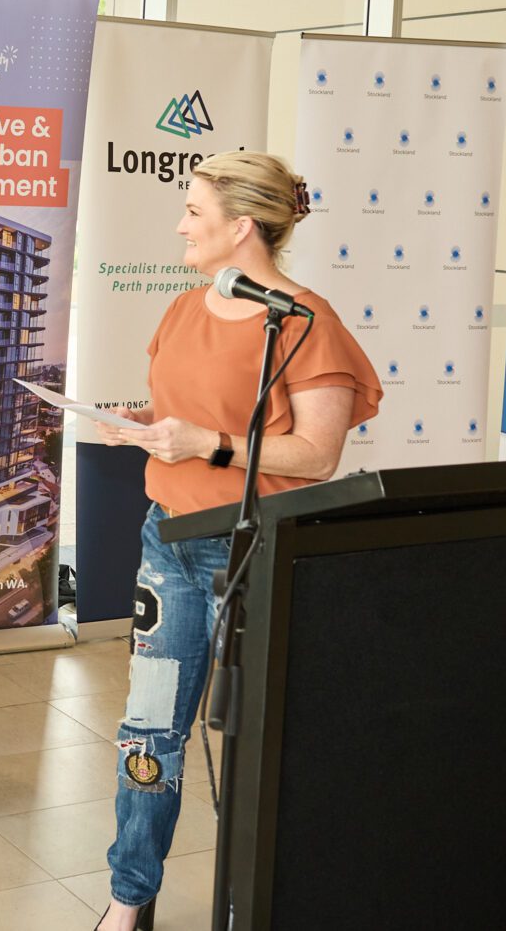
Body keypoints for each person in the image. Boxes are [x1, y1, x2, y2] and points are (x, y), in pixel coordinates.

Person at [88, 151, 381, 931]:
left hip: (256, 554)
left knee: (264, 737)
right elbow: (181, 417)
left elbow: (317, 453)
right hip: (168, 542)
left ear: (242, 225)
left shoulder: (306, 323)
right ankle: (127, 901)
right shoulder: (183, 309)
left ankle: (266, 895)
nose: (180, 224)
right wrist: (142, 428)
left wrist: (206, 443)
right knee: (148, 731)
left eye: (194, 210)